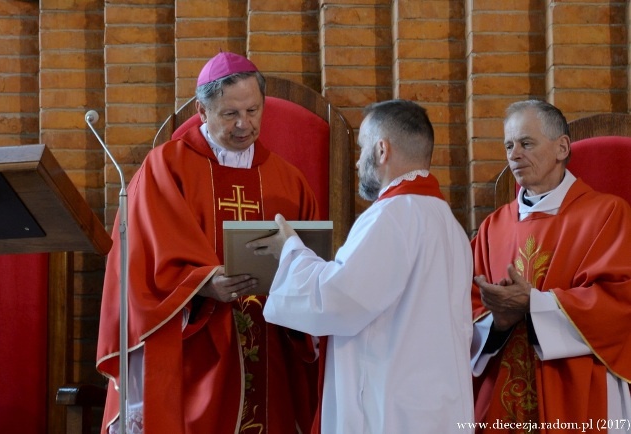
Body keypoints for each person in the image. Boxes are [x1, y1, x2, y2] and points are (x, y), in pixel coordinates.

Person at [96, 51, 320, 433]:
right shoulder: (164, 169)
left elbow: (313, 260)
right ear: (201, 110)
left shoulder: (289, 180)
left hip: (272, 348)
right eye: (230, 114)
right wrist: (202, 285)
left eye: (253, 111)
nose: (244, 125)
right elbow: (139, 265)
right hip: (194, 349)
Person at [248, 99, 475, 433]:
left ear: (381, 150)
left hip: (392, 410)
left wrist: (290, 250)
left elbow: (339, 300)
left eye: (361, 148)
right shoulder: (448, 223)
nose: (356, 163)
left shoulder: (391, 216)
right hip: (438, 408)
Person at [470, 100, 631, 433]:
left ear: (562, 148)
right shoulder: (493, 227)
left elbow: (619, 302)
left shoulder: (607, 214)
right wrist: (495, 323)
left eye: (526, 143)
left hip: (581, 386)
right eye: (508, 145)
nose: (514, 154)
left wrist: (534, 305)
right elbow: (465, 304)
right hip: (503, 391)